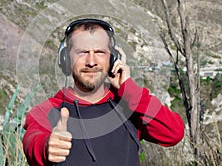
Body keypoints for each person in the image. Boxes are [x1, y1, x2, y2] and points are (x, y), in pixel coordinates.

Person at [22, 18, 184, 166]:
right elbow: (32, 142)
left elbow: (173, 133)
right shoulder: (47, 110)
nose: (91, 62)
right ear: (65, 59)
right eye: (82, 52)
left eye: (99, 52)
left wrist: (129, 90)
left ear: (113, 58)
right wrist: (47, 147)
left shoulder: (129, 106)